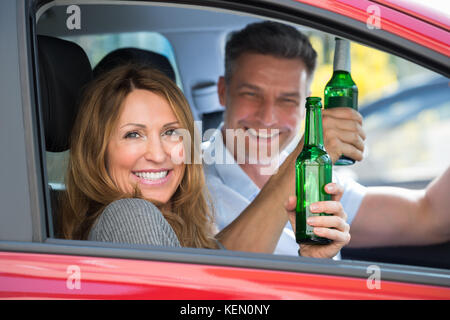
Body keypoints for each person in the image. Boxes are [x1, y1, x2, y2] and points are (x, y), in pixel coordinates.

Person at [205, 21, 450, 256]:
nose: (268, 117)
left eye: (287, 100)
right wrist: (305, 153)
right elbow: (214, 277)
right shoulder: (184, 179)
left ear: (305, 104)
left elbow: (430, 216)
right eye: (251, 94)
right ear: (223, 92)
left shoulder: (318, 179)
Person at [60, 64, 351, 258]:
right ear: (96, 151)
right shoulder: (131, 217)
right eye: (133, 134)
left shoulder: (184, 229)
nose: (158, 154)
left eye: (171, 132)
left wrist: (310, 260)